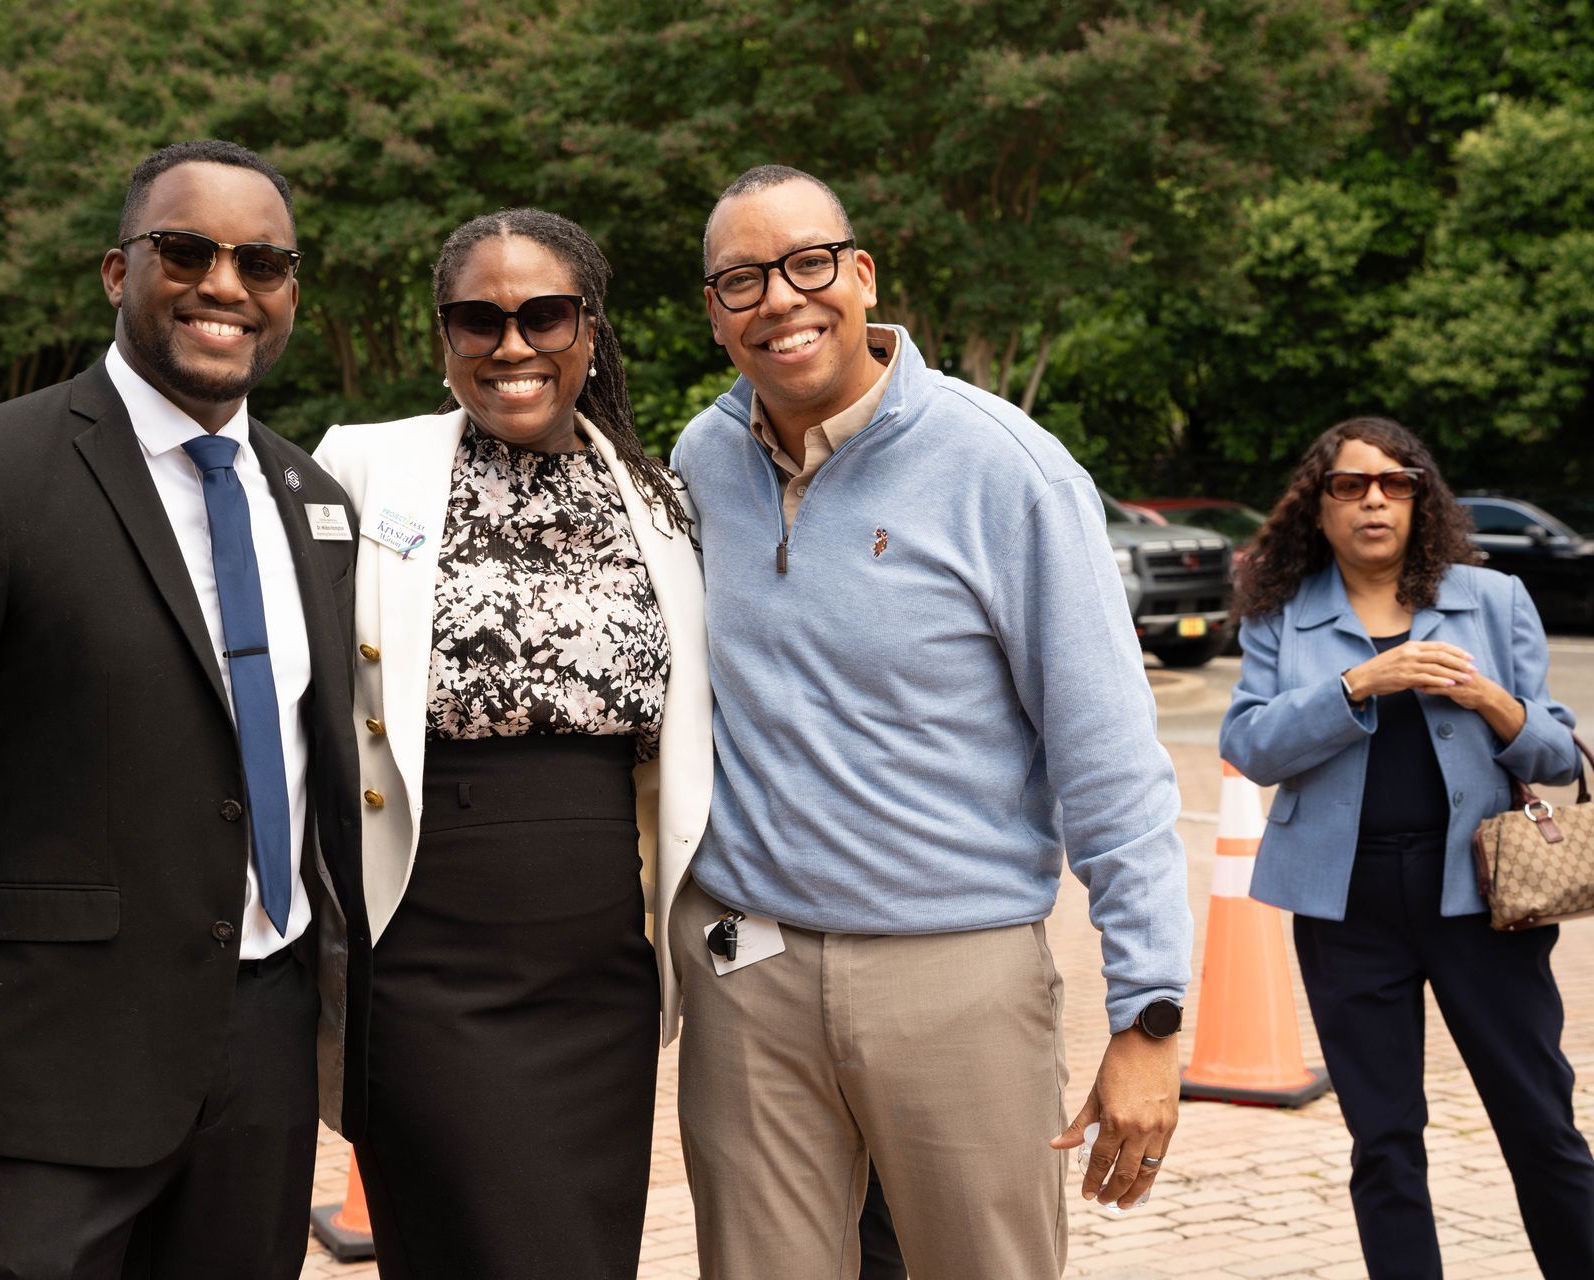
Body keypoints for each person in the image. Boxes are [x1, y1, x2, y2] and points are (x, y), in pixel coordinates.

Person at [0, 139, 370, 1280]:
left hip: (260, 1066)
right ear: (117, 273)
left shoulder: (309, 496)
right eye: (186, 250)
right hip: (44, 1088)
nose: (226, 283)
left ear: (291, 297)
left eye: (261, 262)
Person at [667, 163, 1191, 1279]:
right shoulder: (699, 460)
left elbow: (1108, 757)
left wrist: (1150, 1016)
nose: (782, 299)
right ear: (715, 314)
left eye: (808, 263)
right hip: (747, 970)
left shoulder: (1007, 470)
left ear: (861, 274)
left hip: (954, 968)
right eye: (743, 279)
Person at [312, 208, 711, 1279]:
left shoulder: (660, 501)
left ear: (591, 329)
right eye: (477, 319)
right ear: (444, 338)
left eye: (545, 314)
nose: (512, 344)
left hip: (598, 970)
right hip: (427, 955)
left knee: (583, 1250)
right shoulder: (363, 467)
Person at [1220, 416, 1594, 1279]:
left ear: (1423, 501)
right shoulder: (1284, 615)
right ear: (1318, 509)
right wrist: (1360, 682)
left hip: (1485, 898)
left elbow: (1553, 753)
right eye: (1349, 486)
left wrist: (1493, 702)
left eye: (1395, 482)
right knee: (1384, 1140)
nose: (1373, 499)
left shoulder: (1493, 601)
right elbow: (1248, 746)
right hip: (1346, 906)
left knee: (1540, 1122)